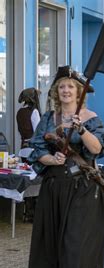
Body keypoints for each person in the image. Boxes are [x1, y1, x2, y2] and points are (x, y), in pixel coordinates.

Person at [27, 66, 104, 268]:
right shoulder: (48, 118)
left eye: (70, 86)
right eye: (62, 86)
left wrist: (82, 130)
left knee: (74, 238)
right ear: (56, 91)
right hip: (54, 187)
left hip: (82, 188)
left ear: (78, 92)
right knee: (58, 239)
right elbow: (37, 149)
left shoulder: (90, 117)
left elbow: (97, 149)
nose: (65, 90)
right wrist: (49, 159)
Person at [17, 88, 42, 222]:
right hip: (33, 149)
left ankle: (27, 212)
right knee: (35, 180)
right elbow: (38, 132)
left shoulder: (20, 112)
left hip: (23, 149)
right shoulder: (34, 112)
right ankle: (34, 214)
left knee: (27, 179)